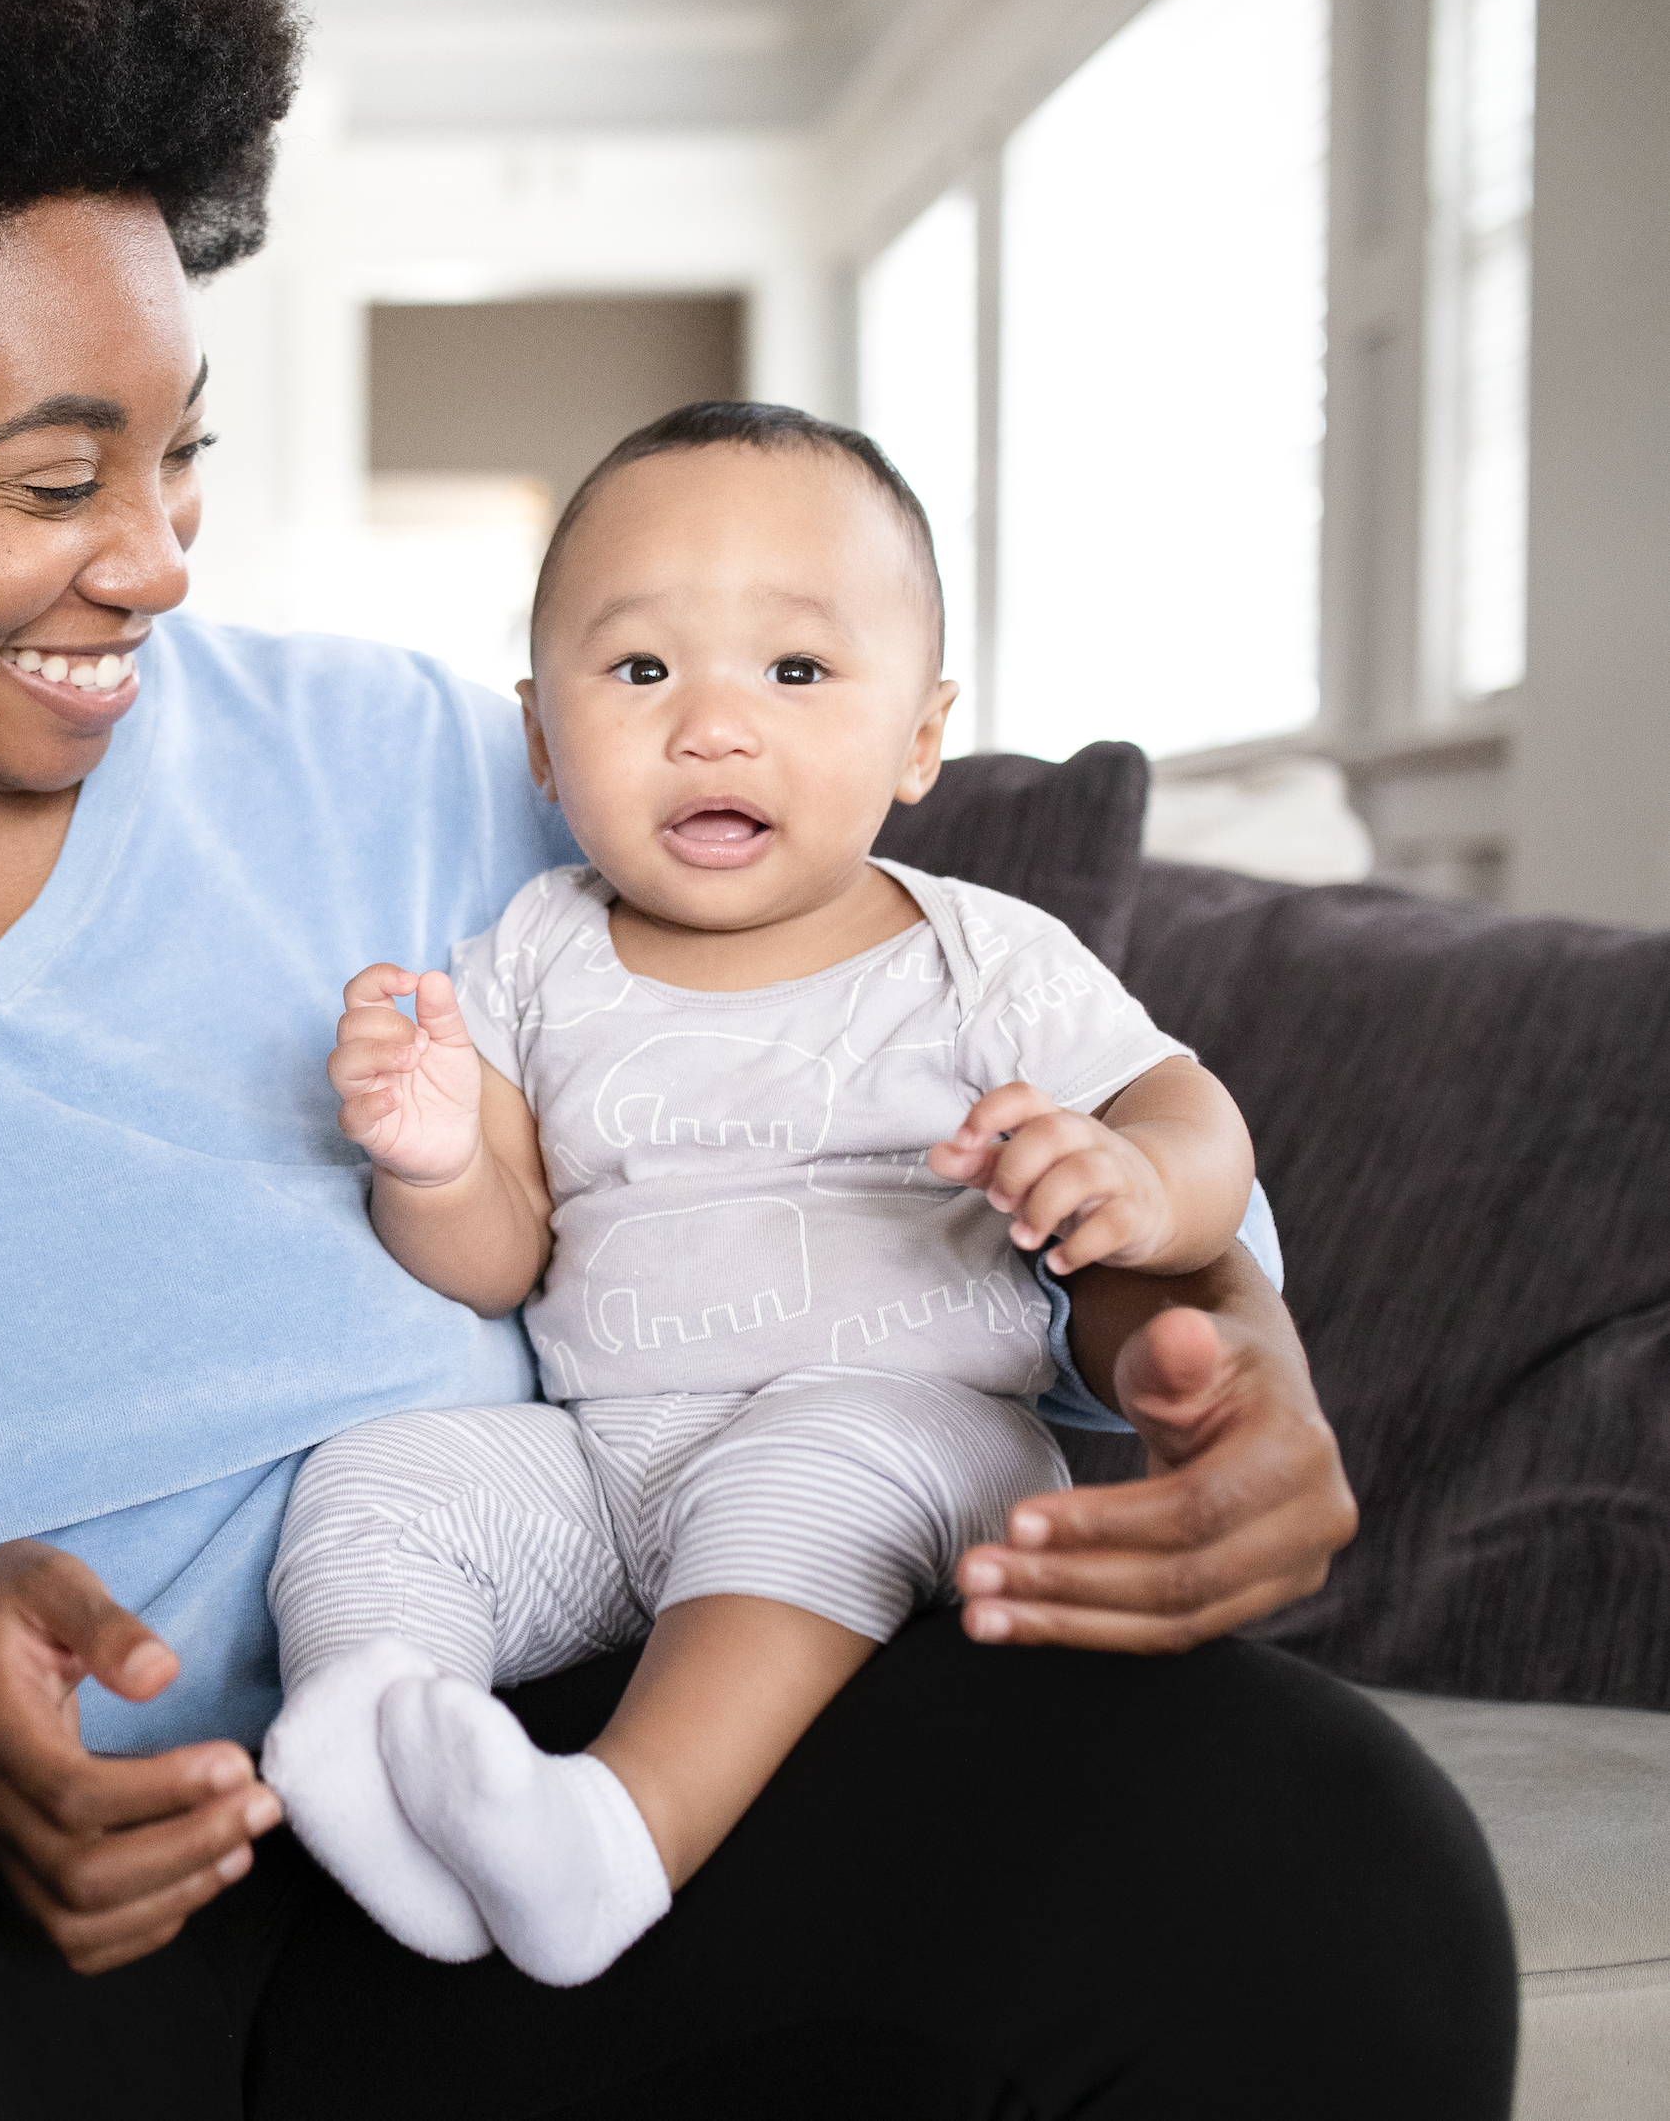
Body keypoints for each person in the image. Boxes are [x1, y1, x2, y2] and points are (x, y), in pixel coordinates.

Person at [0, 0, 1514, 2114]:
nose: (154, 558)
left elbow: (929, 1098)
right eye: (53, 482)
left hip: (521, 1791)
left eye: (179, 456)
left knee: (1312, 1858)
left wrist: (1215, 1338)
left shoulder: (432, 765)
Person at [259, 402, 1260, 1988]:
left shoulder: (973, 953)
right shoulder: (528, 954)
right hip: (614, 1463)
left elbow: (1188, 1111)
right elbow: (498, 1257)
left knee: (816, 1455)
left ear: (920, 735)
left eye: (795, 673)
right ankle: (382, 1760)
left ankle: (617, 1835)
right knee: (385, 1477)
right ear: (539, 738)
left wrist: (1139, 1178)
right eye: (640, 670)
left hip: (914, 1443)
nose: (711, 725)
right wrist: (435, 1153)